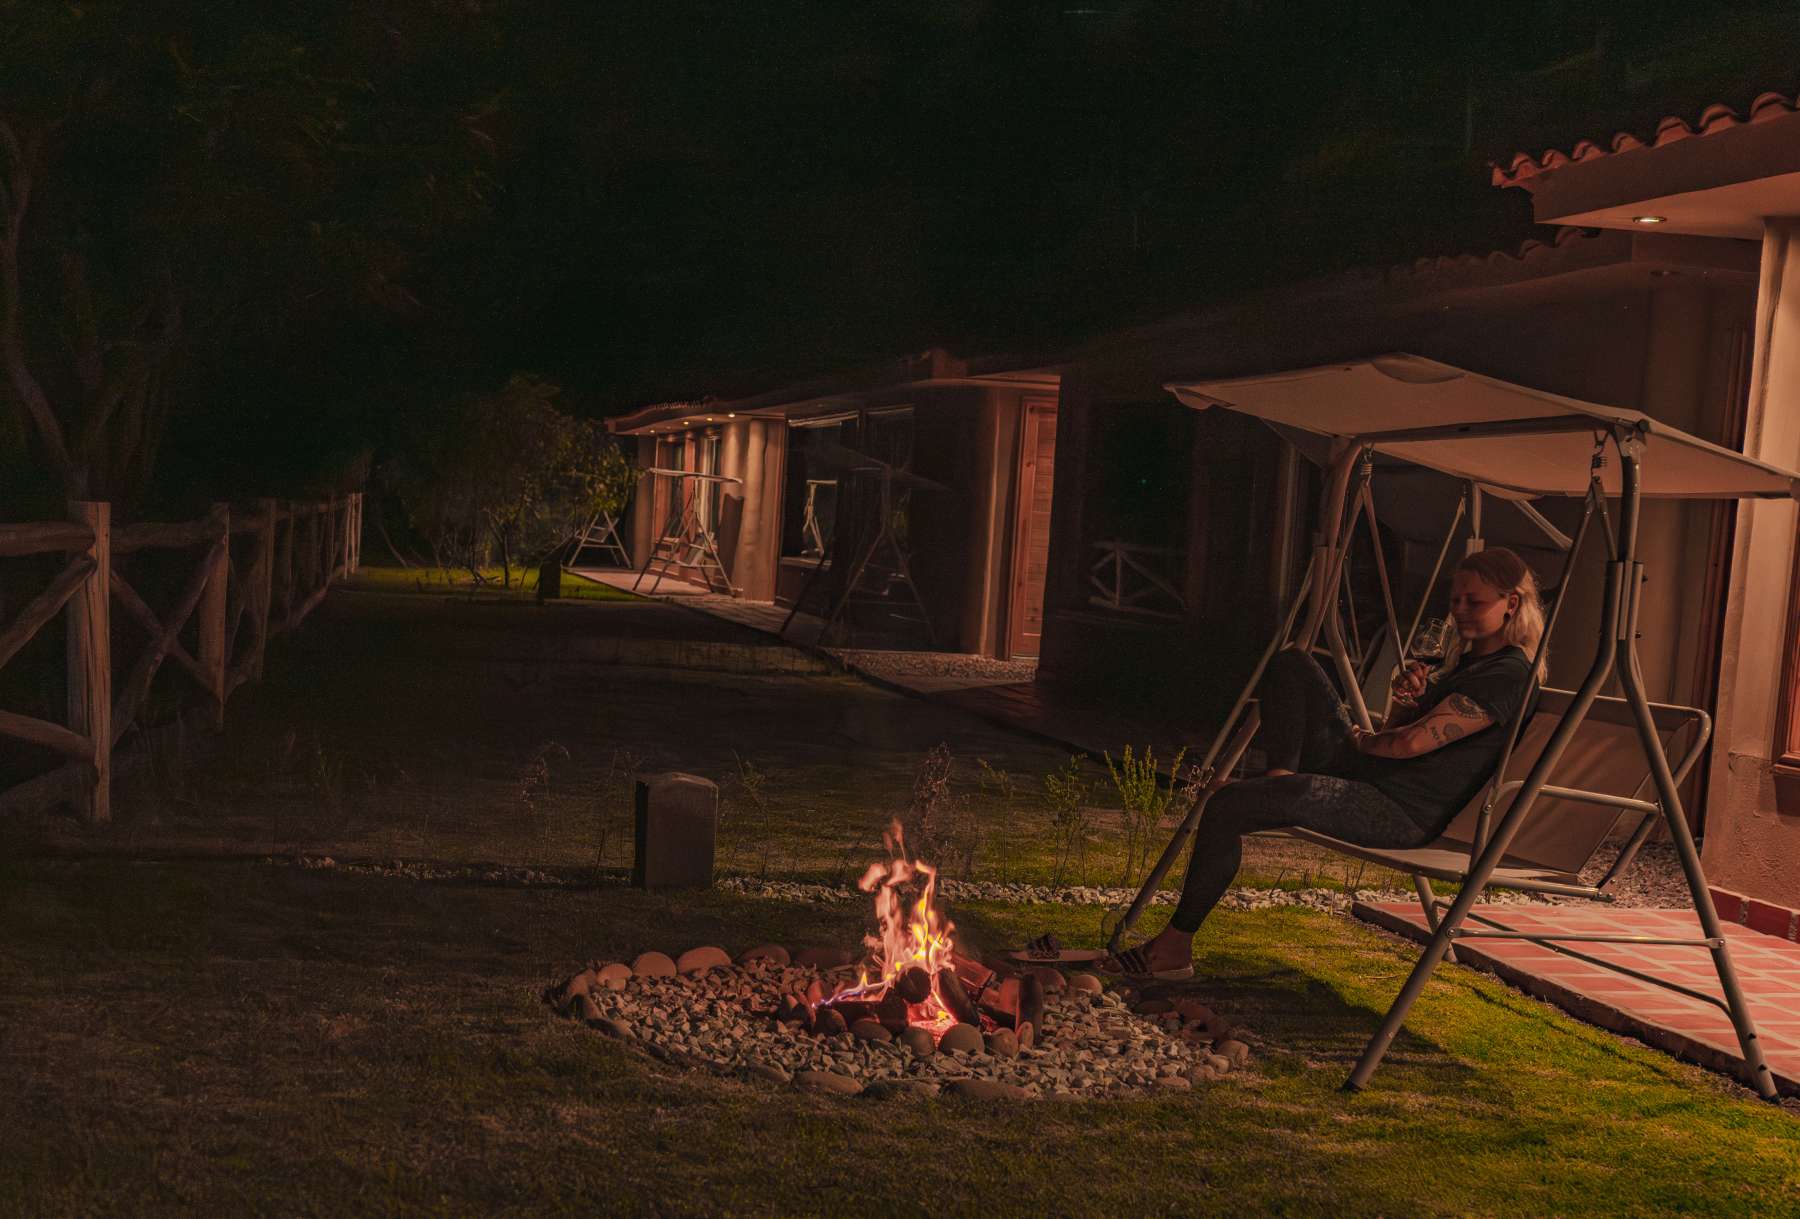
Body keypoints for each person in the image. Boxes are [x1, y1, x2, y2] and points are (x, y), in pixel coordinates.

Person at [1106, 547, 1546, 980]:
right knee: (1294, 663)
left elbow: (1410, 745)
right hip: (1371, 778)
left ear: (1511, 604)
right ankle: (1281, 778)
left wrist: (1364, 740)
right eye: (1455, 601)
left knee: (1229, 805)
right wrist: (1403, 703)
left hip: (1400, 812)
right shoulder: (1470, 662)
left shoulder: (1508, 675)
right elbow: (1404, 731)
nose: (1461, 611)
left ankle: (1173, 949)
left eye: (1475, 602)